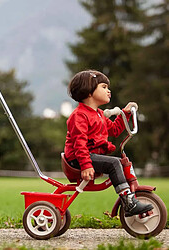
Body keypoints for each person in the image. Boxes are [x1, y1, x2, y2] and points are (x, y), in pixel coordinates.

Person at [64, 70, 153, 217]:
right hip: (77, 159)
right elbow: (79, 143)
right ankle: (129, 203)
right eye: (104, 87)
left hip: (89, 156)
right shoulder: (79, 115)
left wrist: (125, 113)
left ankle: (130, 197)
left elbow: (115, 130)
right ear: (89, 91)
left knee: (119, 163)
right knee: (114, 164)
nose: (108, 90)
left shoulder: (99, 114)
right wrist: (85, 165)